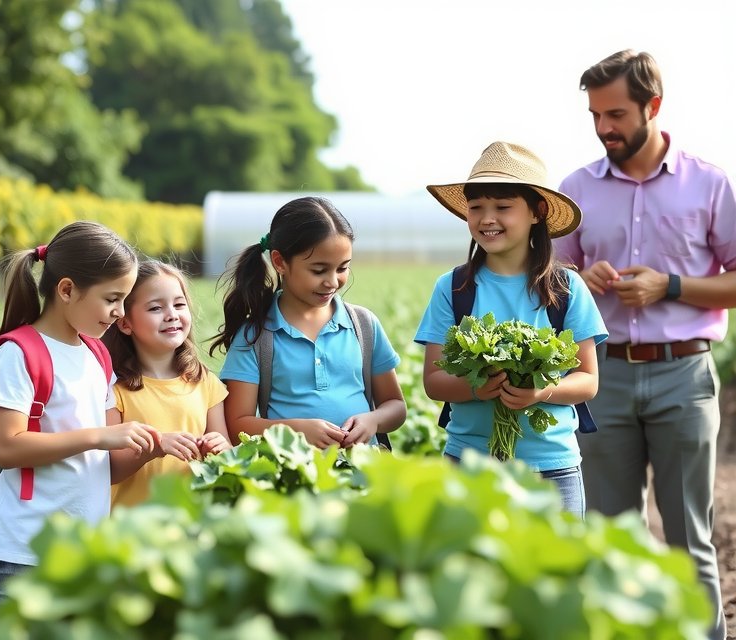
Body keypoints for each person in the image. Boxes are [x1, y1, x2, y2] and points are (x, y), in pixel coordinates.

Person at [553, 49, 736, 639]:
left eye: (616, 115)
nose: (604, 128)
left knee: (690, 538)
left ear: (652, 107)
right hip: (602, 377)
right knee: (610, 533)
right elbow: (549, 279)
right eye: (595, 116)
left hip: (685, 376)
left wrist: (671, 286)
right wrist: (581, 281)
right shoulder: (576, 188)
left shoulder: (709, 184)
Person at [0, 221, 160, 613]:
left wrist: (152, 448)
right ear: (67, 290)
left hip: (82, 552)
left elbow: (102, 468)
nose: (120, 312)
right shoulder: (19, 354)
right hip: (22, 553)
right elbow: (8, 447)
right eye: (112, 299)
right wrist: (99, 436)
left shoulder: (97, 356)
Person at [416, 141, 607, 517]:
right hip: (469, 463)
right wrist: (476, 386)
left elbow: (588, 380)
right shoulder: (453, 288)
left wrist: (541, 390)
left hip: (552, 468)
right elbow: (433, 381)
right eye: (476, 208)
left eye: (502, 207)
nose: (487, 219)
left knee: (555, 572)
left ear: (537, 213)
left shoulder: (566, 289)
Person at [210, 196, 406, 449]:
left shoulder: (364, 325)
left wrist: (374, 420)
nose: (333, 282)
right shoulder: (256, 336)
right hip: (294, 478)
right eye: (318, 270)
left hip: (363, 474)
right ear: (280, 262)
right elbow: (237, 425)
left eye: (342, 268)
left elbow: (396, 406)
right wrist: (296, 431)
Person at [102, 259, 232, 508]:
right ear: (125, 323)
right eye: (155, 308)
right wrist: (156, 446)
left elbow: (225, 453)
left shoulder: (205, 382)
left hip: (191, 522)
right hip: (131, 527)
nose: (172, 314)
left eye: (179, 304)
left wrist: (221, 449)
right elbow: (111, 469)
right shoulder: (113, 388)